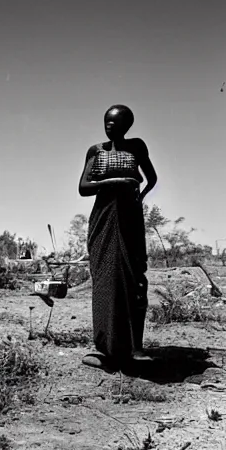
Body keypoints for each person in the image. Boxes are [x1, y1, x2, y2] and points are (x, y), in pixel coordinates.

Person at [78, 104, 157, 371]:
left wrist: (139, 197)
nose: (109, 126)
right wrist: (113, 183)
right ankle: (106, 349)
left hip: (130, 217)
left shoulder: (136, 147)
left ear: (127, 125)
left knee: (134, 278)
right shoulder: (96, 151)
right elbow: (83, 187)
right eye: (106, 122)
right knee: (105, 279)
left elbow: (151, 178)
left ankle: (135, 347)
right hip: (103, 217)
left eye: (115, 122)